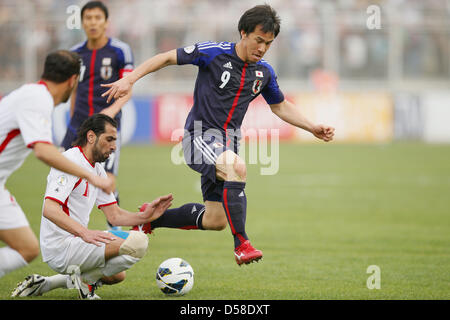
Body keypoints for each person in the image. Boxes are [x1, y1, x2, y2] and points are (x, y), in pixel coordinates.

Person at [102, 4, 335, 266]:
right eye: (258, 40)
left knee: (215, 220)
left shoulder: (264, 72)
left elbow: (279, 105)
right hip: (198, 137)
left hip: (226, 146)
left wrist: (312, 127)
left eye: (268, 44)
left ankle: (151, 219)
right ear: (243, 33)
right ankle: (242, 244)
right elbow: (167, 57)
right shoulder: (214, 53)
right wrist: (130, 79)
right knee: (236, 167)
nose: (262, 48)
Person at [11, 114, 173, 299]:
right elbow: (49, 209)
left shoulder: (96, 169)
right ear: (91, 137)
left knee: (116, 275)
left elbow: (114, 216)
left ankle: (46, 283)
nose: (114, 146)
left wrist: (146, 216)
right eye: (109, 139)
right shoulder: (70, 161)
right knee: (138, 243)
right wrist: (84, 232)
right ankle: (86, 285)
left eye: (115, 140)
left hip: (77, 242)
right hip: (60, 247)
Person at [0, 50, 114, 279]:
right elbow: (43, 151)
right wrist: (90, 176)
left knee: (27, 249)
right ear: (73, 81)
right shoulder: (37, 99)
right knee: (26, 249)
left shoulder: (32, 95)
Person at [62, 0, 134, 228]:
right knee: (66, 180)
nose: (93, 23)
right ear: (82, 22)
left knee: (107, 182)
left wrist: (109, 114)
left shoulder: (120, 50)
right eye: (88, 18)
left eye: (97, 18)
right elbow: (73, 91)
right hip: (77, 127)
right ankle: (68, 237)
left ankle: (117, 239)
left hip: (107, 129)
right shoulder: (74, 54)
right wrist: (73, 120)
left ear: (106, 22)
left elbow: (128, 87)